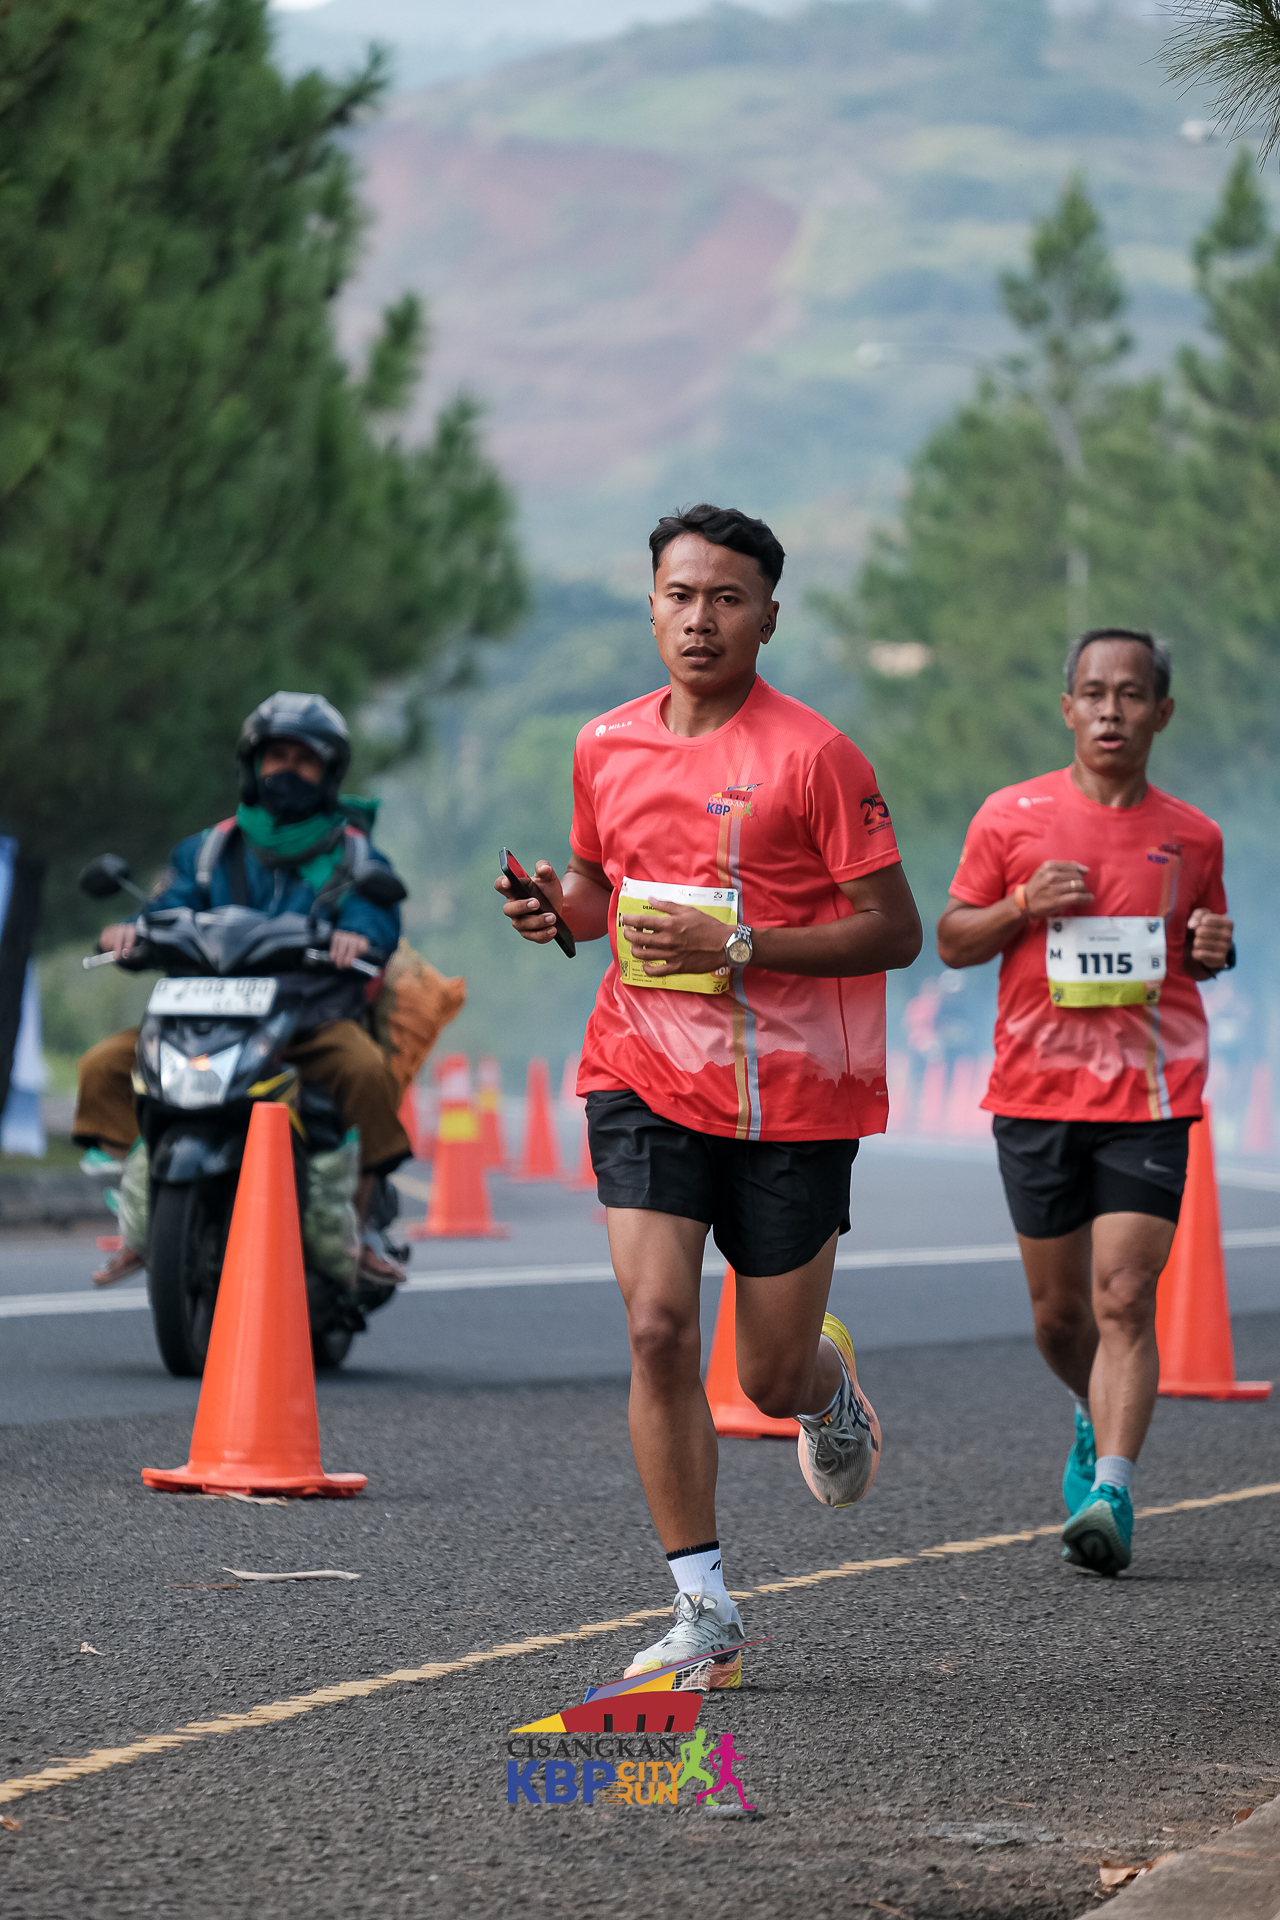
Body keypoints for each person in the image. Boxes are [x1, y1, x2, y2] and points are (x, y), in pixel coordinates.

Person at [497, 504, 922, 1684]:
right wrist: (557, 910)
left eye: (726, 599)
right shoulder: (602, 745)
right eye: (680, 596)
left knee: (765, 1375)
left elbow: (894, 930)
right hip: (640, 1064)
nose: (700, 619)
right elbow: (599, 890)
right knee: (655, 1327)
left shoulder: (817, 759)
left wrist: (741, 946)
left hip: (794, 1092)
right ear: (650, 607)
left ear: (767, 617)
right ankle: (702, 1605)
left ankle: (826, 1394)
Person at [937, 628, 1234, 1577]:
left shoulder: (1193, 836)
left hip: (1150, 1093)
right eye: (1095, 693)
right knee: (1061, 1320)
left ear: (1161, 712)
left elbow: (1203, 944)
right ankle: (1088, 1407)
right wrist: (1021, 905)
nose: (1112, 710)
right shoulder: (1010, 816)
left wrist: (1216, 950)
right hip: (1035, 1093)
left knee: (1126, 1297)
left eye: (1132, 694)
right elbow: (952, 939)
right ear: (1068, 708)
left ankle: (1111, 1489)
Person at [74, 691, 412, 1286]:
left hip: (307, 1020)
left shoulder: (353, 853)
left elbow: (376, 916)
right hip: (199, 1018)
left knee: (364, 1070)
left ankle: (357, 1228)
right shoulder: (207, 850)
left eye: (305, 760)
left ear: (329, 774)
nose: (288, 770)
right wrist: (132, 932)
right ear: (253, 765)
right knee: (103, 1066)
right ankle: (141, 1220)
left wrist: (357, 937)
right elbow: (166, 907)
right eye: (276, 756)